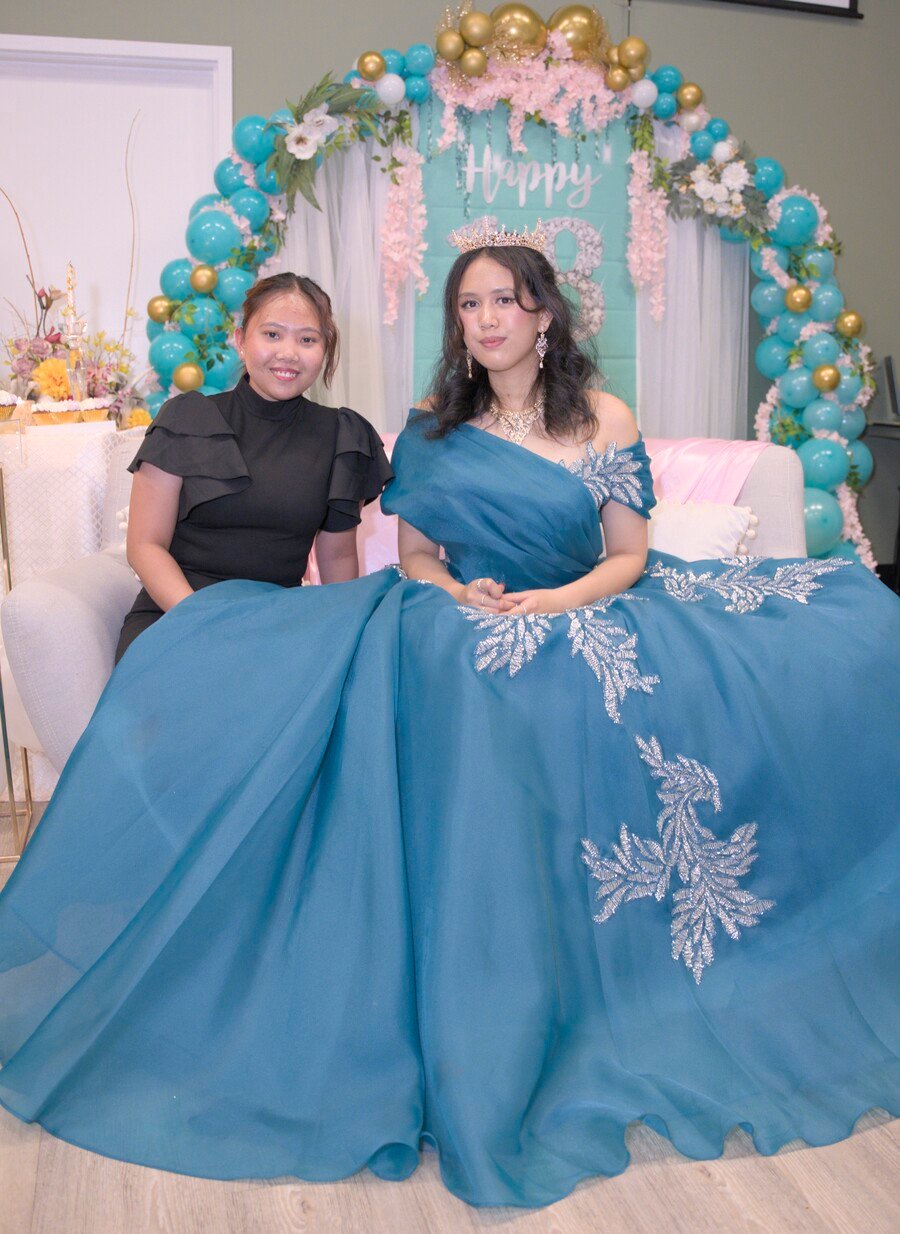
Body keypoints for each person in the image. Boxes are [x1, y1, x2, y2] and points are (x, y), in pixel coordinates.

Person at [0, 227, 896, 1210]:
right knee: (461, 674)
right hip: (463, 610)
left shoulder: (603, 417)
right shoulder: (432, 427)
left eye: (505, 300)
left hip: (589, 602)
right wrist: (462, 591)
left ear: (543, 313)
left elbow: (629, 556)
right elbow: (418, 557)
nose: (486, 319)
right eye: (469, 304)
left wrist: (554, 606)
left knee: (817, 647)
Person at [116, 271, 392, 660]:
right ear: (241, 341)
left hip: (278, 624)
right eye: (273, 334)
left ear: (325, 349)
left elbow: (337, 557)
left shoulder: (342, 437)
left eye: (307, 339)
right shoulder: (186, 419)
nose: (289, 353)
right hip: (179, 613)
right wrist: (201, 618)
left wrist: (346, 637)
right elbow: (145, 546)